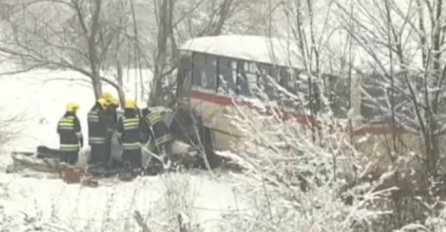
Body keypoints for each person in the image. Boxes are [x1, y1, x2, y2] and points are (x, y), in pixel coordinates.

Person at [117, 99, 143, 171]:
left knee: (127, 164)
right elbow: (143, 130)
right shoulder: (138, 118)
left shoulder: (122, 119)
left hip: (126, 147)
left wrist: (120, 141)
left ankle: (127, 172)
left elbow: (118, 133)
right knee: (137, 166)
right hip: (136, 147)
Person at [87, 97, 109, 168]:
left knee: (94, 155)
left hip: (92, 138)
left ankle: (93, 168)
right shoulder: (100, 113)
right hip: (100, 138)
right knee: (101, 158)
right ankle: (100, 169)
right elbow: (105, 123)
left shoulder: (90, 112)